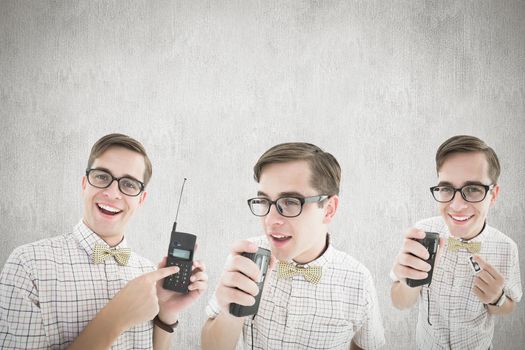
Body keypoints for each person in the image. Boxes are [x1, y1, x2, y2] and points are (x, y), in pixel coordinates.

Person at [0, 133, 208, 349]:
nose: (112, 192)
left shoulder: (148, 273)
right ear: (84, 184)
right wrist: (116, 316)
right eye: (102, 177)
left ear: (141, 200)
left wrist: (166, 313)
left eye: (129, 184)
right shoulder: (27, 265)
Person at [201, 142, 385, 350]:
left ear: (328, 209)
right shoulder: (247, 259)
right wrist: (230, 312)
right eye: (264, 201)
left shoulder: (358, 280)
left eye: (290, 202)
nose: (270, 220)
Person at [390, 135, 522, 349]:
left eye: (473, 189)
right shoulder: (423, 233)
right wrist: (408, 280)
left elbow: (509, 306)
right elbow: (399, 302)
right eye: (447, 189)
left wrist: (497, 298)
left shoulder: (506, 248)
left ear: (494, 194)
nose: (457, 205)